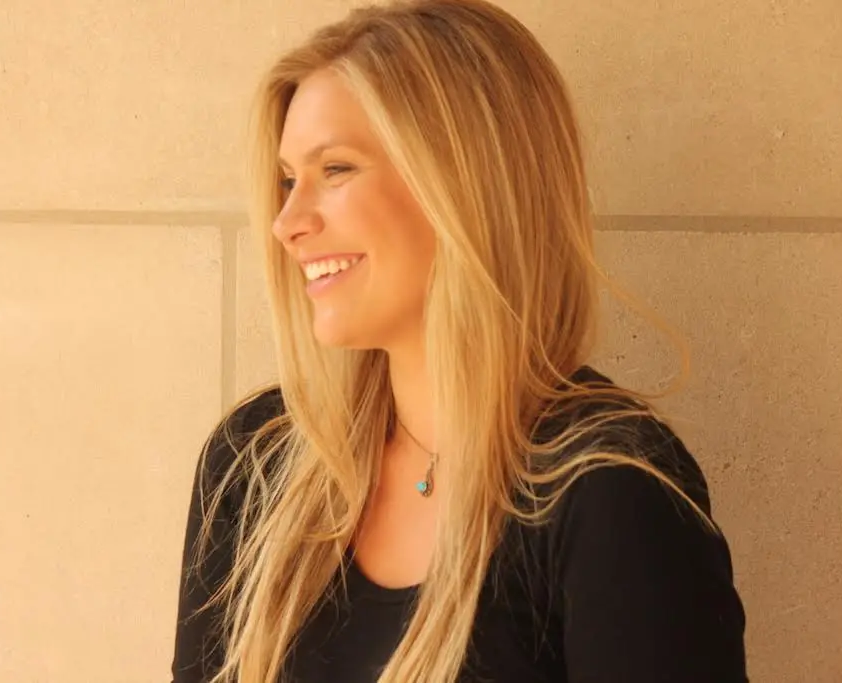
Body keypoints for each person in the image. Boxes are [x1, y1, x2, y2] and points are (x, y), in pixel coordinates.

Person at [170, 1, 748, 681]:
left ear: (465, 184)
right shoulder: (255, 462)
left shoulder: (612, 496)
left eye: (336, 170)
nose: (287, 222)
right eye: (288, 179)